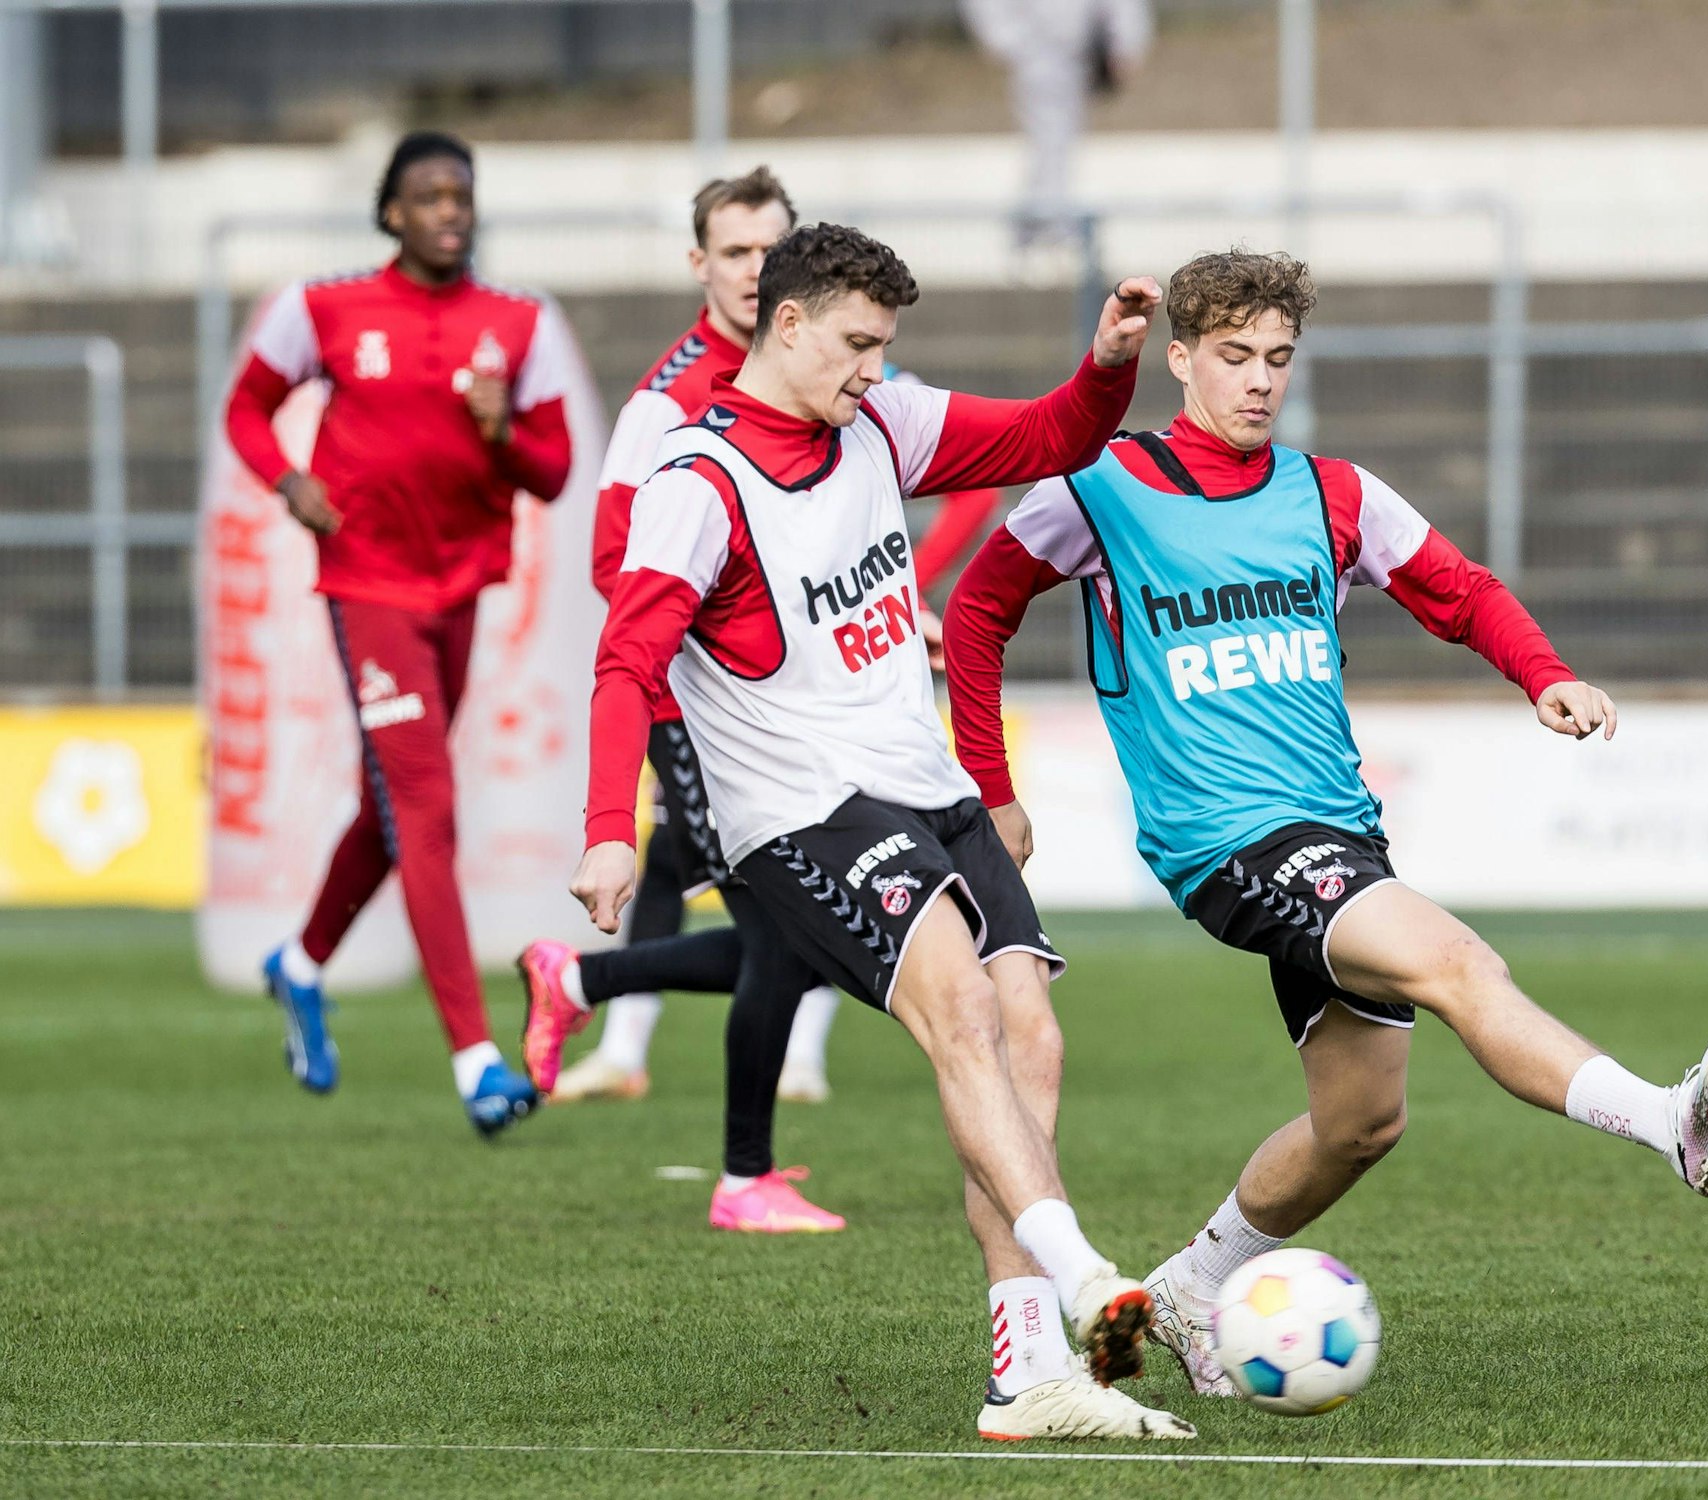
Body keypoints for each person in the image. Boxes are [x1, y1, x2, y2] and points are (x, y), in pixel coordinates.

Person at [943, 250, 1708, 1399]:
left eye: (1277, 359)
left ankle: (1189, 1286)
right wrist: (992, 787)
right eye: (1233, 356)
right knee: (1456, 962)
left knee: (1360, 1122)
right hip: (1225, 842)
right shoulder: (1100, 487)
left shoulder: (1331, 493)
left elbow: (1457, 589)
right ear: (1178, 358)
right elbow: (974, 609)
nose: (1258, 381)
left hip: (1336, 834)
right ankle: (1666, 1120)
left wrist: (1543, 674)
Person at [549, 221, 1195, 1440]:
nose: (873, 367)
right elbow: (625, 659)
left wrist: (1107, 366)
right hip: (800, 809)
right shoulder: (696, 483)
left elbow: (1049, 437)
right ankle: (1085, 1283)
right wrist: (606, 828)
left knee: (1030, 1034)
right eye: (855, 342)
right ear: (785, 322)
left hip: (921, 784)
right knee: (959, 1010)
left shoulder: (879, 421)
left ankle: (1024, 1374)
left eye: (883, 345)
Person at [544, 167, 1001, 1116]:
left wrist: (901, 592)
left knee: (768, 911)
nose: (754, 268)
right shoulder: (665, 405)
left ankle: (596, 1002)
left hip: (831, 702)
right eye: (735, 251)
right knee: (778, 918)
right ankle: (724, 1129)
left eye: (770, 248)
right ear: (699, 264)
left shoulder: (854, 372)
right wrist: (733, 652)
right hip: (706, 703)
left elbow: (975, 479)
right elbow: (615, 568)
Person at [224, 131, 571, 1136]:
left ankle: (298, 966)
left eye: (461, 194)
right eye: (429, 196)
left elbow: (551, 472)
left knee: (392, 805)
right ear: (391, 213)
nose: (450, 210)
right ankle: (476, 1062)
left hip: (459, 587)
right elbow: (247, 410)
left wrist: (503, 429)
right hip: (366, 583)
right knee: (423, 800)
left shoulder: (520, 323)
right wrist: (289, 482)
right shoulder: (322, 309)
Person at [961, 0, 1153, 251]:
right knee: (1049, 142)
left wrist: (1125, 42)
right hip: (1037, 58)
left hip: (1079, 58)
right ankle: (1043, 227)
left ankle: (1048, 225)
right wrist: (1015, 44)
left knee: (1060, 144)